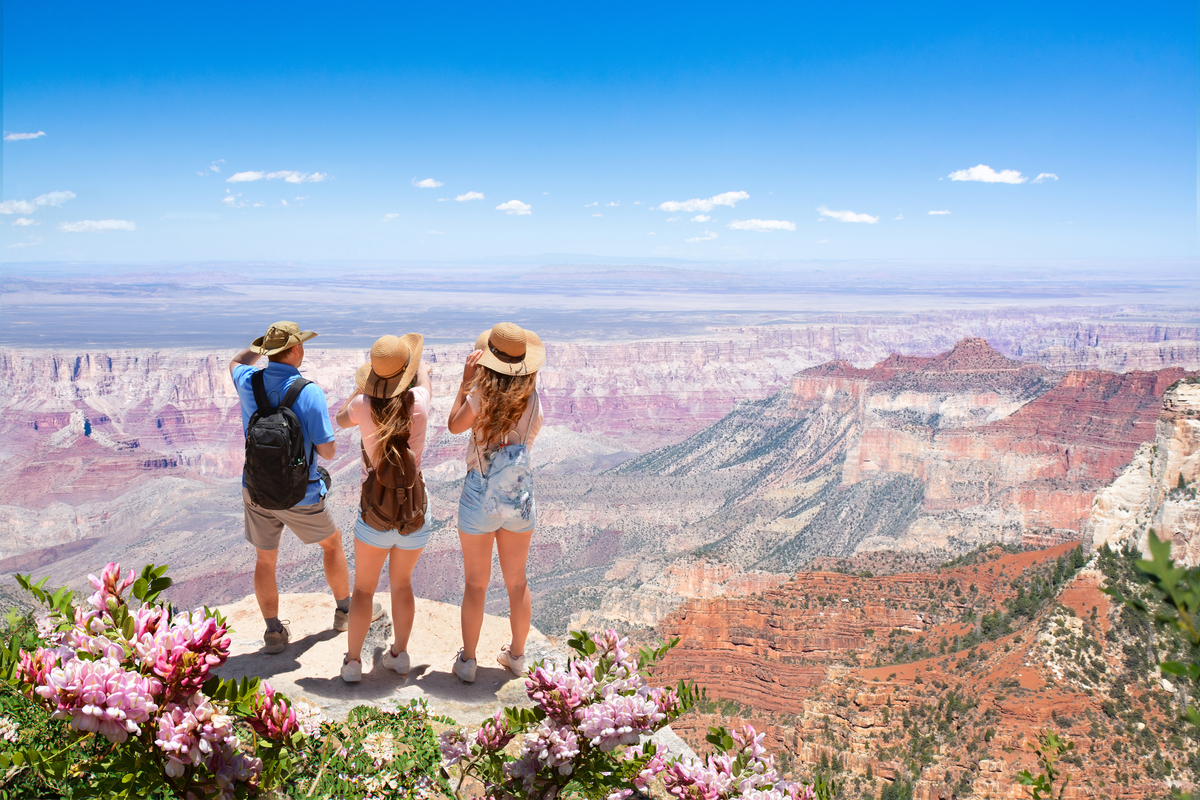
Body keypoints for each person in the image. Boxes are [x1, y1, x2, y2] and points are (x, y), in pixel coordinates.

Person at [229, 321, 379, 654]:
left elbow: (235, 363)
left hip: (256, 488)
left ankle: (273, 633)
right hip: (300, 493)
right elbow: (327, 450)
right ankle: (344, 612)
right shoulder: (307, 391)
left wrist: (258, 349)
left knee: (265, 560)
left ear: (268, 351)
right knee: (332, 544)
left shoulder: (247, 381)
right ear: (297, 349)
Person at [447, 322, 545, 683]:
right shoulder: (533, 400)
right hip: (518, 497)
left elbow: (455, 425)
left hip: (479, 494)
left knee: (476, 583)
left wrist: (465, 383)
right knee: (517, 582)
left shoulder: (480, 397)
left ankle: (468, 662)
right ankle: (517, 656)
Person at [335, 334, 434, 683]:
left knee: (363, 590)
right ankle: (399, 655)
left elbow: (339, 419)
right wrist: (411, 365)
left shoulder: (362, 405)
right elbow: (424, 380)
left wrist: (362, 387)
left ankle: (352, 664)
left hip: (374, 514)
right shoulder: (419, 401)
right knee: (402, 585)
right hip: (413, 513)